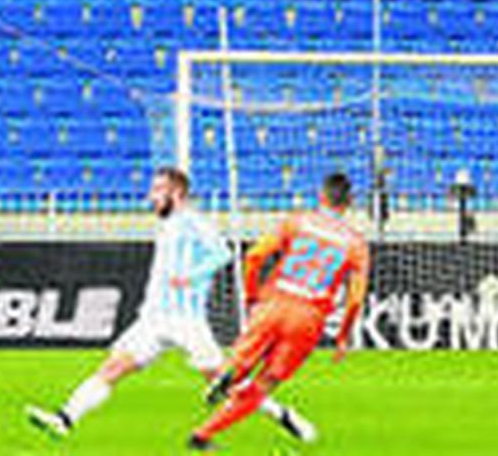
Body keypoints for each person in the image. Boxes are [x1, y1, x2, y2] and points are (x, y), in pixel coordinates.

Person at [26, 168, 313, 443]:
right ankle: (65, 419)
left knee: (225, 383)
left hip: (186, 321)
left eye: (157, 190)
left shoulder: (192, 221)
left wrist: (192, 275)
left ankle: (284, 415)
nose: (151, 196)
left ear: (175, 192)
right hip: (154, 319)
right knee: (112, 368)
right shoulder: (168, 224)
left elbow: (223, 254)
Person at [189, 172, 368, 451]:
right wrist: (343, 336)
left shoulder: (297, 221)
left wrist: (250, 297)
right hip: (309, 316)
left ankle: (233, 372)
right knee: (265, 384)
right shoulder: (356, 243)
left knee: (242, 361)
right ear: (349, 204)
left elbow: (254, 256)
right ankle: (203, 434)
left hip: (274, 301)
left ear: (321, 196)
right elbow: (355, 299)